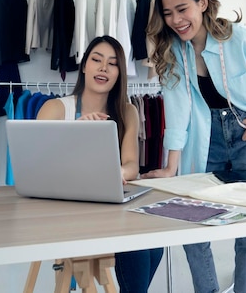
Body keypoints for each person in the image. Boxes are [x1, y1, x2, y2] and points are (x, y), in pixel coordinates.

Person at [142, 0, 246, 293]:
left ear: (202, 2)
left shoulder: (237, 36)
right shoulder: (172, 54)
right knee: (192, 224)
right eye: (167, 13)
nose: (176, 20)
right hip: (205, 138)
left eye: (182, 9)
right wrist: (170, 167)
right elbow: (178, 112)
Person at [36, 35, 163, 293]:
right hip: (66, 211)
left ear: (120, 73)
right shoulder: (55, 109)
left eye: (113, 63)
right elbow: (40, 170)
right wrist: (76, 136)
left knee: (154, 240)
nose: (104, 67)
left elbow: (131, 166)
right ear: (84, 66)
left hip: (108, 206)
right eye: (96, 60)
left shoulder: (127, 112)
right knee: (136, 244)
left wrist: (114, 172)